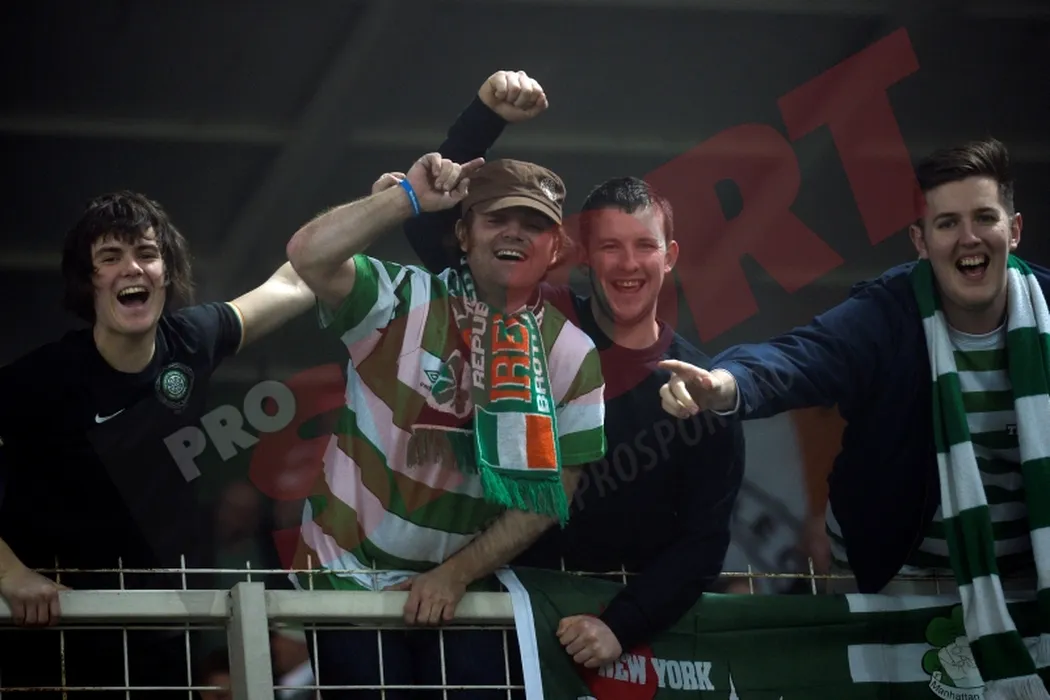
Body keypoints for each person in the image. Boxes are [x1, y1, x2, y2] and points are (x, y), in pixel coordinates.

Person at [659, 138, 1049, 695]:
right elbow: (799, 357)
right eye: (947, 223)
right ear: (921, 241)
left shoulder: (1047, 314)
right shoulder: (886, 315)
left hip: (1031, 583)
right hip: (895, 579)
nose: (968, 237)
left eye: (984, 217)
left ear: (1014, 230)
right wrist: (724, 384)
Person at [396, 70, 745, 670]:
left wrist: (621, 626)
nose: (628, 264)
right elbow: (430, 226)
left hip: (627, 638)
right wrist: (484, 117)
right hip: (502, 613)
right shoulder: (535, 317)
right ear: (583, 257)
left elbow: (704, 543)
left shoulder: (699, 385)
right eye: (610, 247)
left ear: (670, 257)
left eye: (644, 246)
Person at [284, 152, 606, 699]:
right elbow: (308, 257)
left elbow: (551, 494)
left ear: (555, 248)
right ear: (463, 233)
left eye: (534, 225)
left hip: (465, 589)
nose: (514, 233)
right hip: (348, 577)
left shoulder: (572, 354)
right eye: (496, 218)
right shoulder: (398, 299)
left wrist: (454, 576)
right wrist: (404, 198)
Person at [0, 191, 316, 697]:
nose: (132, 267)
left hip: (158, 635)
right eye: (110, 257)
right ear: (87, 281)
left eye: (146, 253)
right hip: (49, 634)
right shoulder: (43, 379)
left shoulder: (189, 341)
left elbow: (296, 281)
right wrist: (9, 573)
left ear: (165, 272)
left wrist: (400, 201)